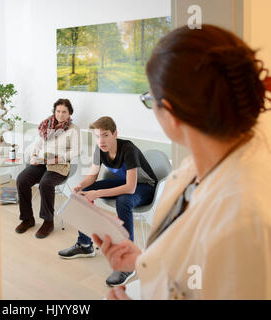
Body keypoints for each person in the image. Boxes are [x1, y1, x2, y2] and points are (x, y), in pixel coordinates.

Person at [94, 24, 271, 299]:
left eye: (150, 98)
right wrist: (145, 261)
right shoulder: (199, 168)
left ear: (172, 113)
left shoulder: (244, 218)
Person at [58, 116, 157, 287]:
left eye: (105, 135)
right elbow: (92, 175)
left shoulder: (128, 150)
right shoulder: (100, 149)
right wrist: (81, 186)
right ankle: (84, 244)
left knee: (123, 201)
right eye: (97, 136)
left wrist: (98, 193)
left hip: (145, 187)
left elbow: (131, 188)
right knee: (84, 192)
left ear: (114, 134)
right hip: (126, 184)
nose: (101, 140)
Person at [15, 98, 79, 239]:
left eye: (64, 112)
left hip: (59, 165)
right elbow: (37, 144)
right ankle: (27, 219)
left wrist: (58, 158)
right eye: (58, 111)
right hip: (42, 162)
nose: (60, 115)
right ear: (54, 111)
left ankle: (48, 222)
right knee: (22, 179)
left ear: (69, 113)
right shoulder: (47, 125)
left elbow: (76, 151)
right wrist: (33, 157)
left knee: (45, 183)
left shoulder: (73, 129)